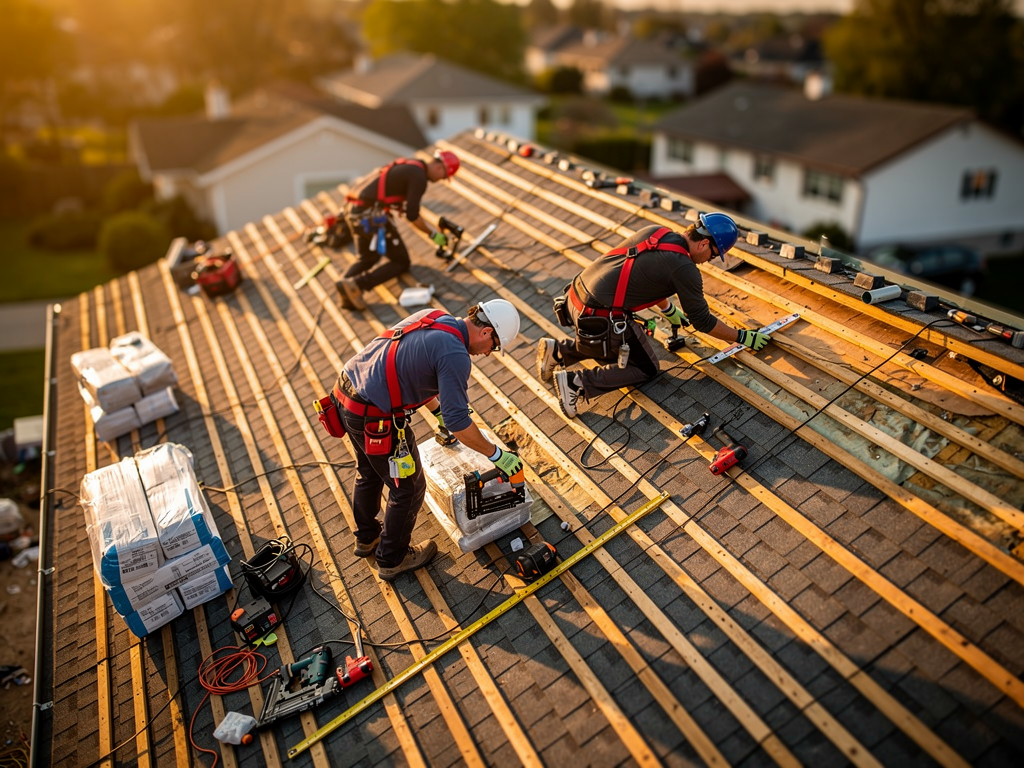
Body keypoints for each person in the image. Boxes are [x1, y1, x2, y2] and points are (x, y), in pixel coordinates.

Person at [332, 299, 522, 581]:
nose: (489, 354)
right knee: (408, 488)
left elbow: (409, 370)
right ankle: (391, 558)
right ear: (486, 332)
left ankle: (367, 538)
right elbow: (460, 424)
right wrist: (497, 455)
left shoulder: (435, 317)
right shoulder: (456, 355)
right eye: (494, 346)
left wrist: (438, 413)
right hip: (375, 416)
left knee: (370, 471)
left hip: (347, 395)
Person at [536, 213, 771, 418]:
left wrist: (669, 311)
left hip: (575, 298)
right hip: (597, 317)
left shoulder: (657, 232)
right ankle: (576, 383)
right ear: (704, 244)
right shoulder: (685, 268)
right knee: (645, 367)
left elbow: (644, 275)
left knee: (619, 345)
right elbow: (702, 321)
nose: (708, 262)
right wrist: (742, 337)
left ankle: (557, 351)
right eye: (712, 256)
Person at [335, 150, 460, 310]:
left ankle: (345, 289)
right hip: (369, 215)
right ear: (440, 167)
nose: (441, 179)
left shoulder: (412, 165)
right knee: (401, 262)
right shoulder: (419, 177)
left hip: (354, 211)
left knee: (367, 258)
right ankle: (357, 285)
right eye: (444, 176)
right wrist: (433, 234)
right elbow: (412, 215)